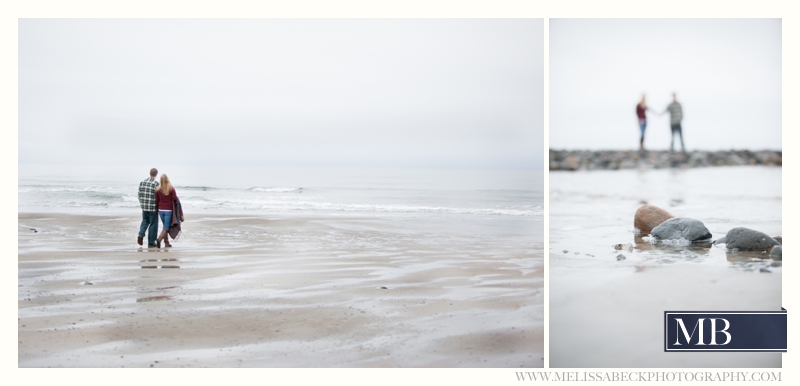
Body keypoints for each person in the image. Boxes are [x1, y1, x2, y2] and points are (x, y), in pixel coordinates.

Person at [155, 174, 180, 248]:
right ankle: (159, 239)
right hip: (168, 210)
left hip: (160, 209)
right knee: (166, 227)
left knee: (164, 226)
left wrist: (157, 209)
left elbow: (157, 200)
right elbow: (175, 198)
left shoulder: (157, 189)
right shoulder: (171, 188)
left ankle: (166, 243)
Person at [137, 168, 160, 248]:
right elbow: (158, 196)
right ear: (156, 174)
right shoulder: (156, 184)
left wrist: (142, 203)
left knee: (145, 221)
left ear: (150, 173)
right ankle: (151, 241)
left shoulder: (142, 182)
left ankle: (141, 234)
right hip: (153, 207)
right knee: (153, 224)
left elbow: (139, 194)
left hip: (144, 206)